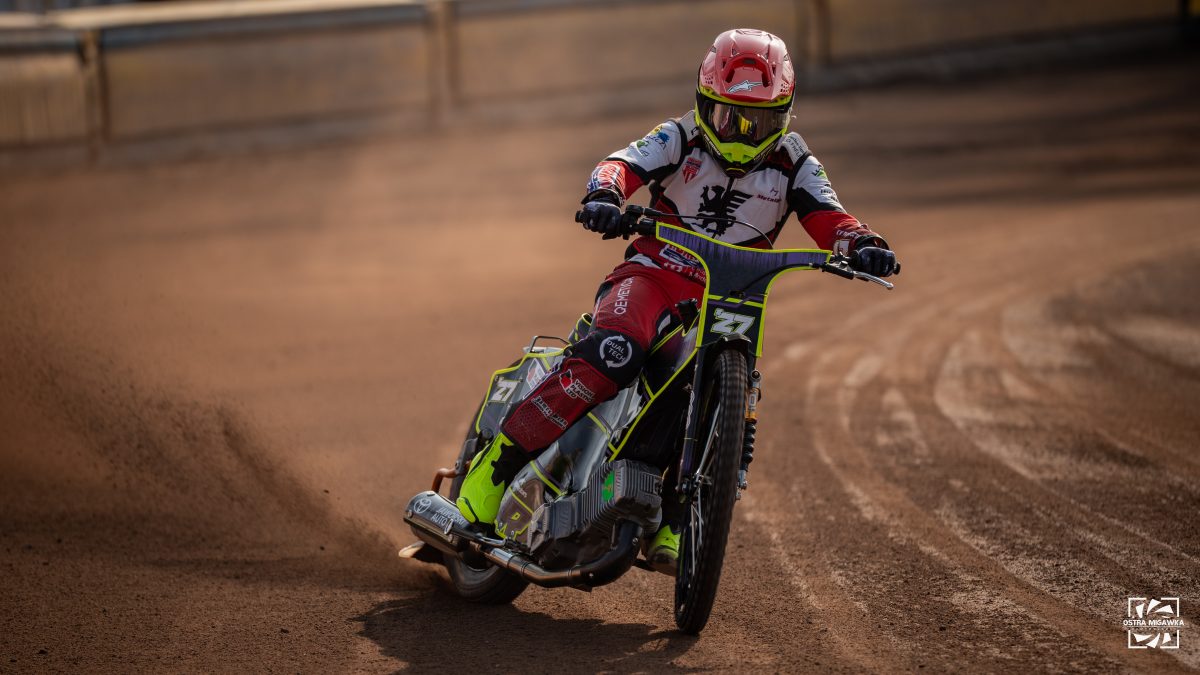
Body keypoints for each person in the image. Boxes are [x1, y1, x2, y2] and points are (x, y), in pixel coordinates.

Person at [456, 28, 898, 572]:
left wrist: (864, 244)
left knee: (720, 386)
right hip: (653, 276)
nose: (743, 133)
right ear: (704, 103)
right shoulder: (679, 136)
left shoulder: (796, 161)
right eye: (730, 116)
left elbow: (831, 217)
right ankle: (490, 475)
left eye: (760, 121)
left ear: (785, 115)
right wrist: (605, 194)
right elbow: (619, 164)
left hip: (729, 300)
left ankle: (674, 514)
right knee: (616, 352)